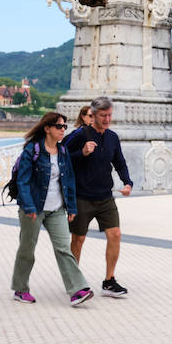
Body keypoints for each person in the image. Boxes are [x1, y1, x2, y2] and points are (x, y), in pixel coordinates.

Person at [10, 111, 93, 307]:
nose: (63, 130)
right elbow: (22, 181)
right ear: (47, 128)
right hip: (33, 208)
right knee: (27, 249)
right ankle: (20, 289)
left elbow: (69, 180)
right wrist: (29, 206)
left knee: (64, 249)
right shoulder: (33, 150)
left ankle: (77, 290)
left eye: (64, 126)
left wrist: (71, 207)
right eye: (59, 126)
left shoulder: (63, 152)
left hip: (56, 209)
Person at [64, 95, 132, 297]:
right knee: (78, 239)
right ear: (92, 115)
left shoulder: (112, 137)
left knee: (115, 235)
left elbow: (119, 162)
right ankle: (74, 282)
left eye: (109, 115)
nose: (107, 119)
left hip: (105, 197)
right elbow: (62, 158)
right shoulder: (79, 135)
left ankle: (109, 281)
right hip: (82, 196)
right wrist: (82, 153)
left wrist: (127, 182)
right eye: (103, 115)